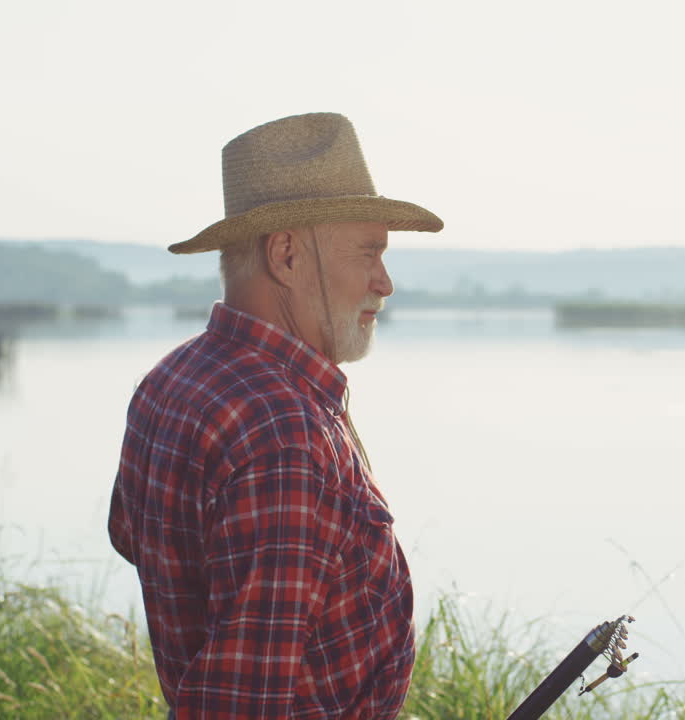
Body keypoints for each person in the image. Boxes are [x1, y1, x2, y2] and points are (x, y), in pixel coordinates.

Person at [108, 112, 442, 719]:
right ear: (286, 255)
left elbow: (135, 540)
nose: (384, 282)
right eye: (368, 252)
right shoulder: (284, 434)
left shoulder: (169, 381)